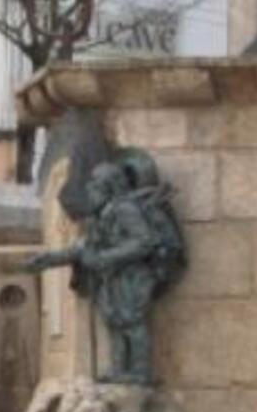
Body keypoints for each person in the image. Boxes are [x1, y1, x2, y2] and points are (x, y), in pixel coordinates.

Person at [27, 153, 185, 385]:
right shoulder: (100, 216)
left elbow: (145, 241)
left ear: (108, 188)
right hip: (113, 277)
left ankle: (140, 371)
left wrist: (107, 258)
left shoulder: (125, 209)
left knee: (132, 322)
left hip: (133, 276)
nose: (90, 190)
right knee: (115, 321)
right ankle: (119, 369)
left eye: (95, 186)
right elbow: (82, 247)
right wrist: (50, 259)